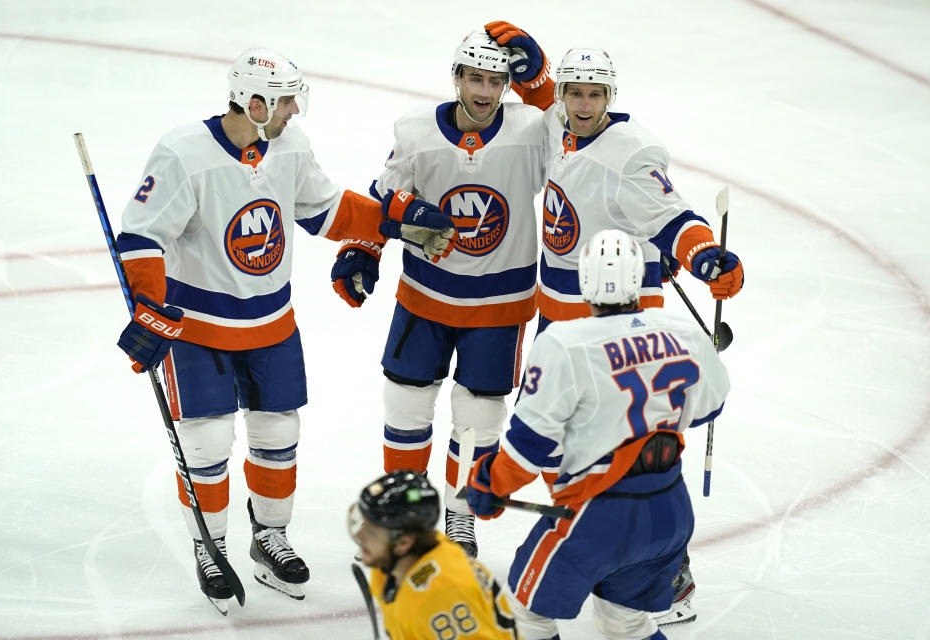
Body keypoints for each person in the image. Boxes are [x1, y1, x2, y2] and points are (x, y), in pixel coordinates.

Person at [114, 48, 456, 614]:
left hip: (272, 323)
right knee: (206, 441)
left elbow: (324, 210)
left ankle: (269, 538)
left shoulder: (290, 146)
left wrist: (397, 220)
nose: (295, 109)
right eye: (287, 99)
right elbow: (142, 236)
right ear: (256, 101)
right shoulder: (184, 152)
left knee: (278, 435)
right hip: (199, 325)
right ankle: (212, 546)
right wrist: (149, 307)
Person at [483, 22, 746, 625]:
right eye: (575, 92)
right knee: (565, 451)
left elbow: (673, 216)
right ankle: (596, 547)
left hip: (617, 324)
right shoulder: (559, 122)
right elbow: (544, 100)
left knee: (630, 444)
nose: (582, 104)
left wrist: (705, 256)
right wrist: (532, 67)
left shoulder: (633, 154)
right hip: (559, 314)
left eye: (594, 95)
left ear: (610, 98)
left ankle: (665, 573)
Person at [329, 29, 552, 557]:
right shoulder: (415, 132)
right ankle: (405, 516)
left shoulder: (530, 129)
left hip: (499, 306)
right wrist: (364, 247)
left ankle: (458, 517)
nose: (485, 90)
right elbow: (385, 196)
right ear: (456, 77)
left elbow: (578, 133)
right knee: (405, 405)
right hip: (424, 296)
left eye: (496, 80)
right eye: (475, 77)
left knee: (480, 420)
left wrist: (541, 86)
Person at [465, 229, 731, 640]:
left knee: (525, 613)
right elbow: (710, 406)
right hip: (670, 508)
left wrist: (489, 484)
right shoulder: (684, 332)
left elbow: (528, 448)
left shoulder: (565, 343)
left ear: (584, 279)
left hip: (598, 513)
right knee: (624, 623)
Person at [348, 470, 522, 639]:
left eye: (372, 532)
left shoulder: (441, 597)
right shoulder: (391, 566)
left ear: (403, 542)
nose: (360, 537)